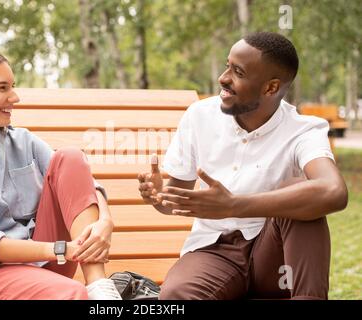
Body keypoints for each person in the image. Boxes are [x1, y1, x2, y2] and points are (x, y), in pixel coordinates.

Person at [138, 32, 348, 300]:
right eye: (228, 66)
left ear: (271, 87)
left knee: (303, 192)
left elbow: (333, 191)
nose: (223, 78)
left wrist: (234, 204)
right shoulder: (199, 116)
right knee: (176, 295)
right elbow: (174, 202)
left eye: (238, 72)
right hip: (214, 251)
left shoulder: (303, 130)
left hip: (275, 256)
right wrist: (158, 197)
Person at [0, 49, 122, 300]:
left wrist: (106, 220)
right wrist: (61, 249)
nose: (14, 97)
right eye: (2, 88)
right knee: (71, 294)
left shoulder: (22, 142)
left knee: (69, 157)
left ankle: (100, 287)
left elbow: (84, 184)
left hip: (44, 263)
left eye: (12, 86)